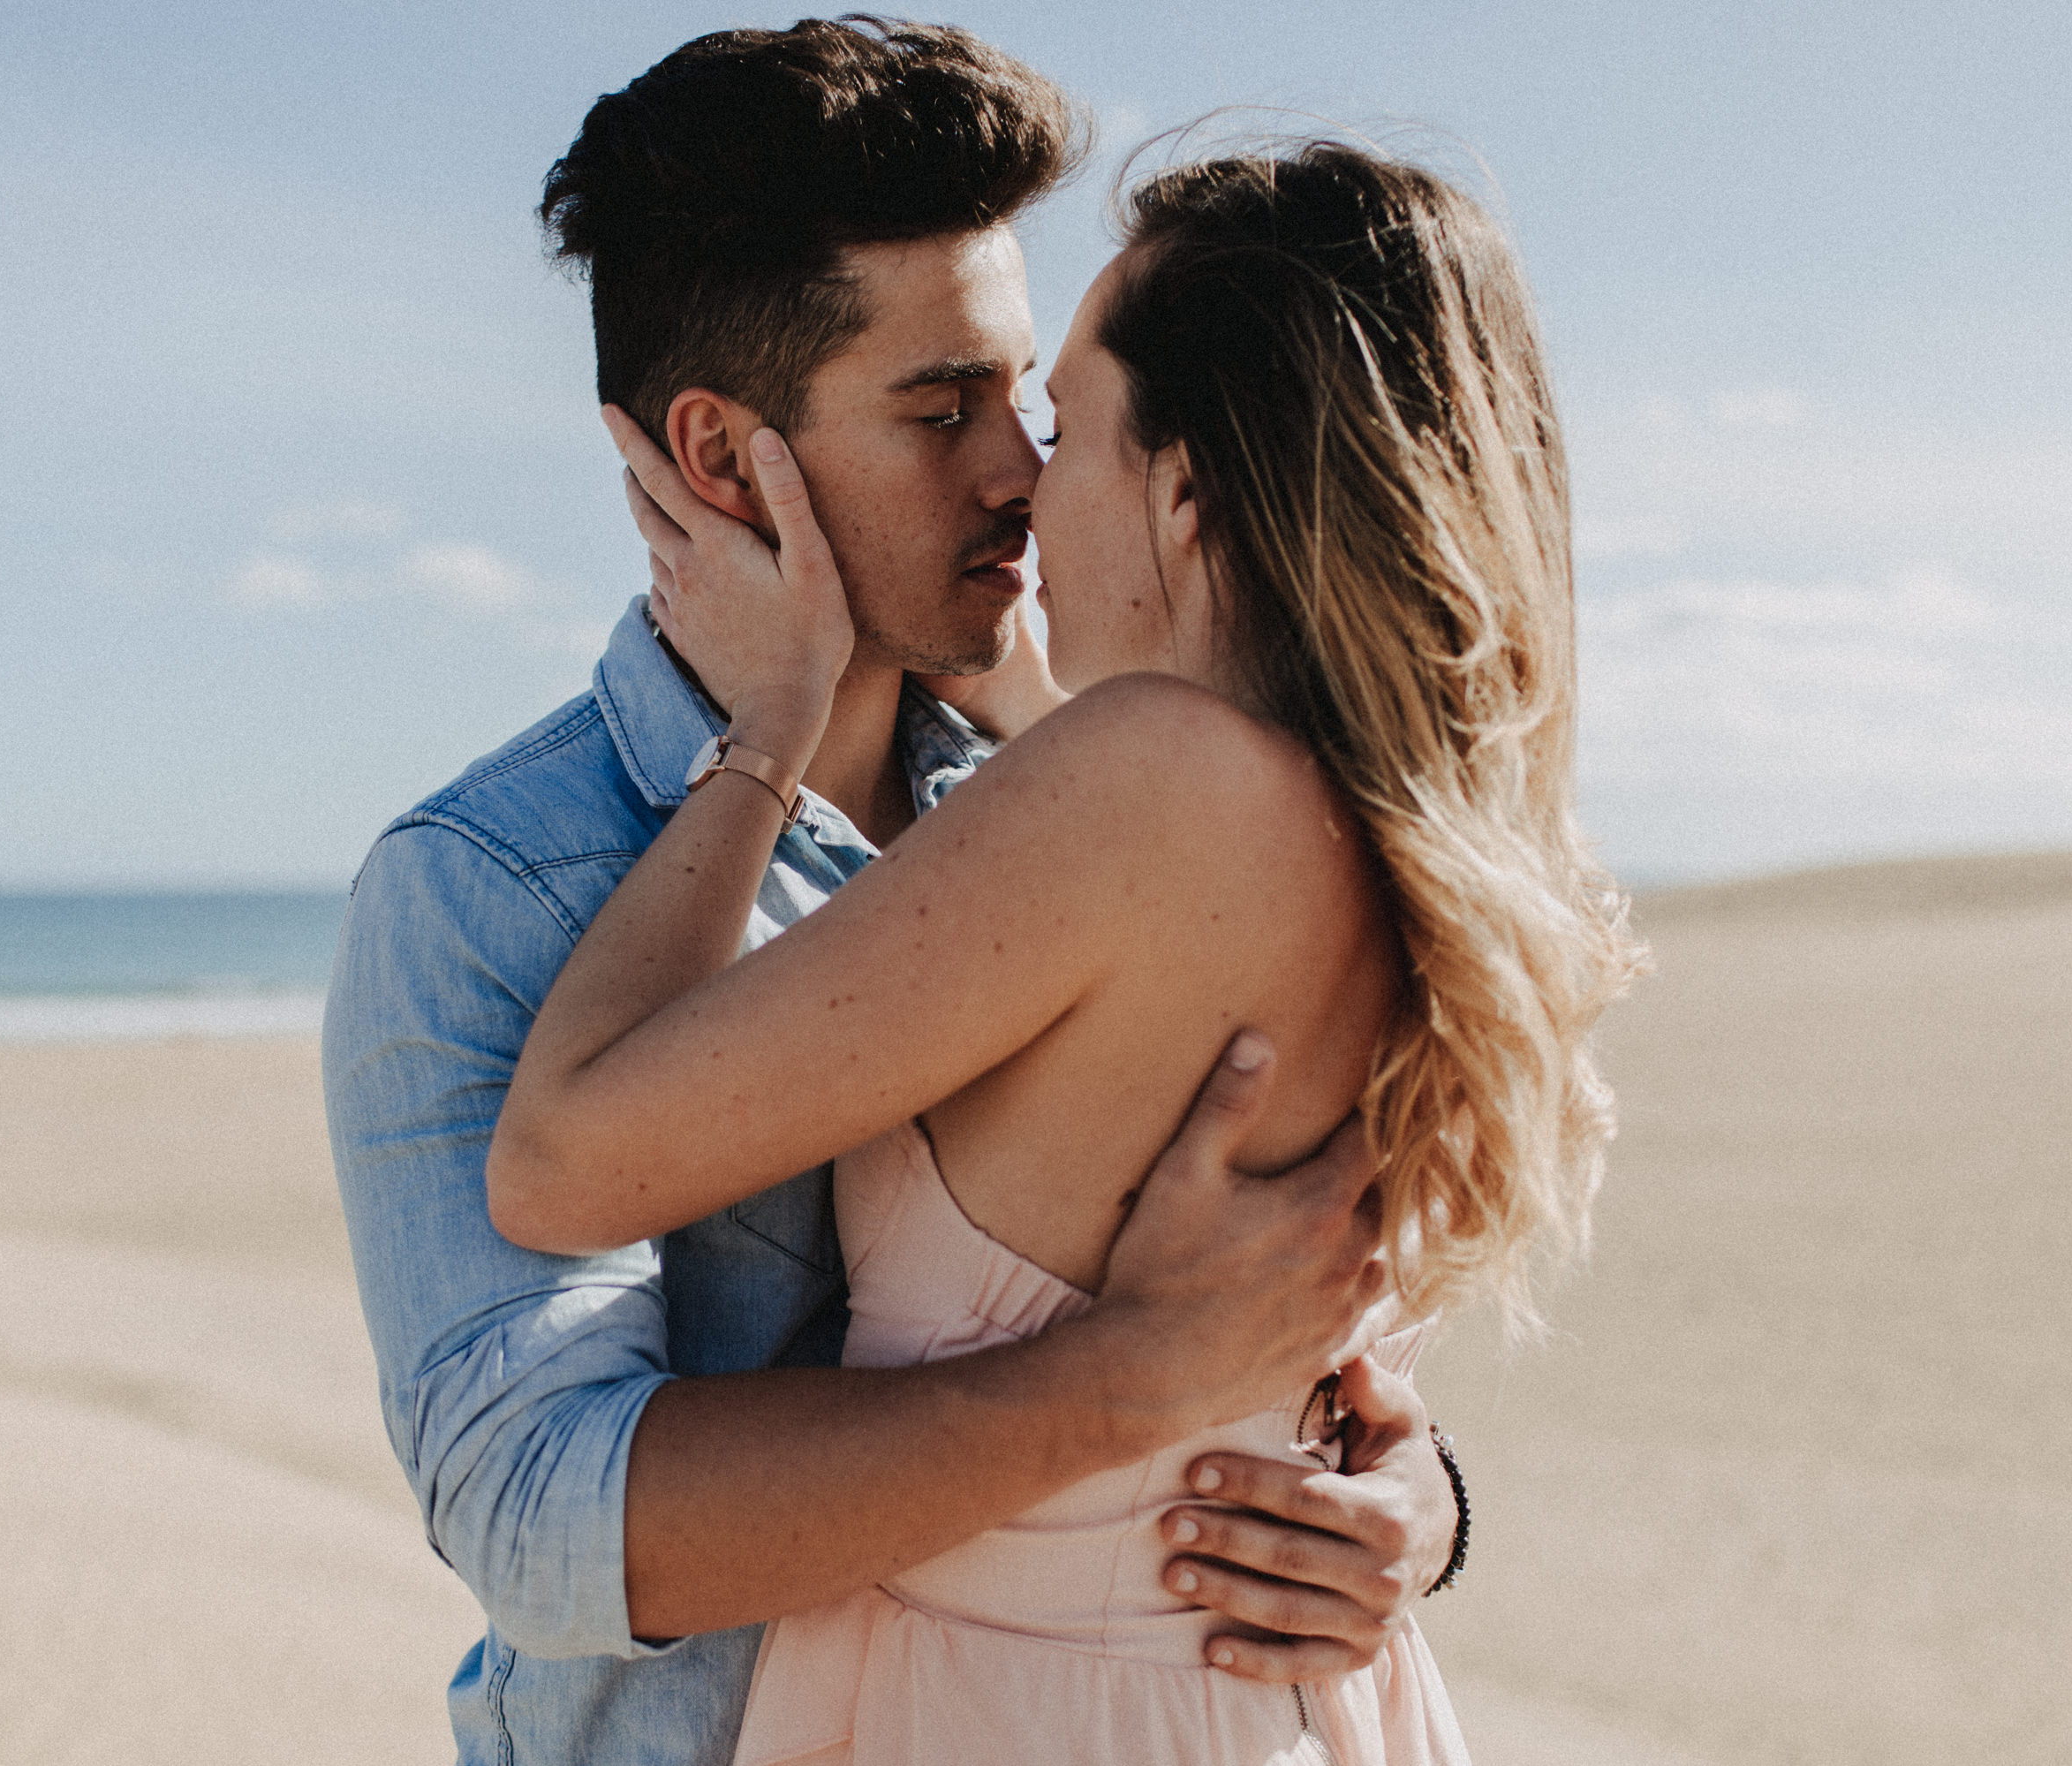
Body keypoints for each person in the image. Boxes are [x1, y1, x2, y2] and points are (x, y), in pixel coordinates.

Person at [323, 20, 1465, 1766]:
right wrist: (1120, 1386)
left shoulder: (1070, 800)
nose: (1017, 466)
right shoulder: (488, 887)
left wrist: (1401, 1501)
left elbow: (1292, 1291)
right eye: (941, 412)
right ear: (721, 467)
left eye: (1022, 398)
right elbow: (552, 1524)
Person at [488, 132, 1640, 1762]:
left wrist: (770, 722)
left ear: (1186, 494)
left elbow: (558, 1161)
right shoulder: (1400, 831)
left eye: (1065, 425)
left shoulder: (1150, 786)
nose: (1025, 486)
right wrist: (1424, 1495)